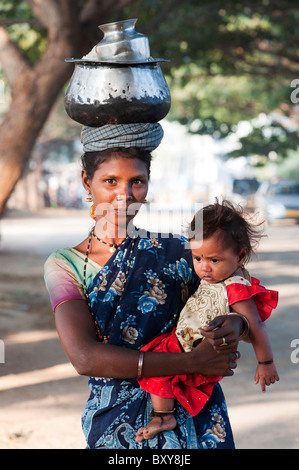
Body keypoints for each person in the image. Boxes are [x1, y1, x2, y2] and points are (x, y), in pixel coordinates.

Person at [44, 123, 248, 449]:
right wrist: (192, 363)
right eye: (110, 181)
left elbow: (238, 288)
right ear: (87, 181)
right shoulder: (65, 264)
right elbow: (85, 357)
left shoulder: (181, 251)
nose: (125, 195)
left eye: (136, 181)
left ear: (148, 184)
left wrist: (237, 323)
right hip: (114, 416)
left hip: (194, 412)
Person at [136, 200, 279, 442]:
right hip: (182, 341)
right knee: (154, 358)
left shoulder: (235, 286)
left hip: (201, 350)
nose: (204, 268)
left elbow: (255, 324)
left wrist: (265, 362)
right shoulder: (215, 277)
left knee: (155, 366)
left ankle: (164, 415)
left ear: (240, 256)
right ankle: (164, 413)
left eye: (214, 260)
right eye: (198, 258)